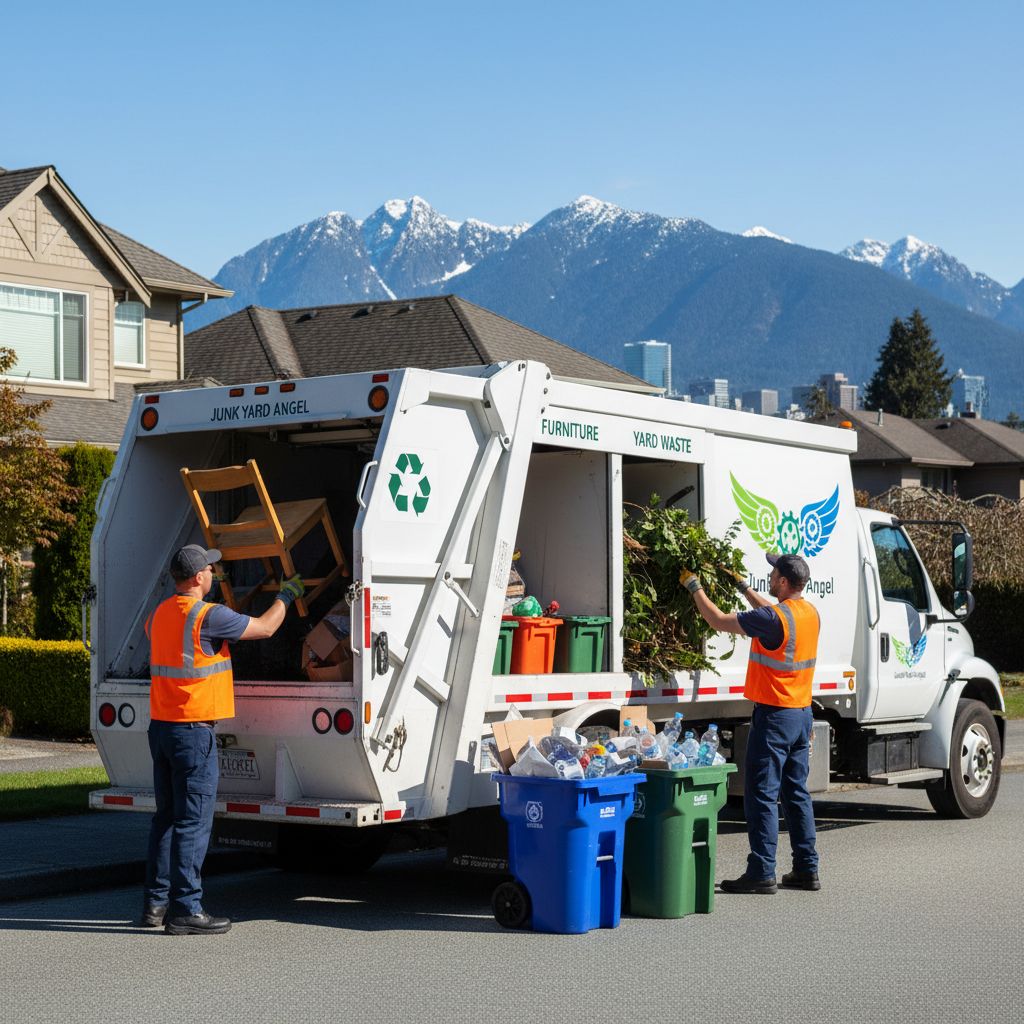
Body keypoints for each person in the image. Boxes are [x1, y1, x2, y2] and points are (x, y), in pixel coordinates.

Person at [140, 544, 304, 934]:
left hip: (161, 729)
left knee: (165, 819)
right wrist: (286, 595)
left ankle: (155, 906)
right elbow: (264, 627)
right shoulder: (209, 617)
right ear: (198, 577)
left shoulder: (159, 614)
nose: (215, 573)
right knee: (193, 822)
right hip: (194, 732)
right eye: (211, 569)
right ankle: (187, 910)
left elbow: (187, 638)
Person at [679, 552, 821, 895]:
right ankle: (807, 869)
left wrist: (693, 585)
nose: (769, 577)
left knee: (761, 795)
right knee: (796, 794)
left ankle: (761, 871)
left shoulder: (774, 618)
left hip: (774, 717)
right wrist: (743, 587)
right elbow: (769, 614)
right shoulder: (808, 612)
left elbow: (715, 619)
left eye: (773, 573)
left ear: (784, 582)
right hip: (801, 715)